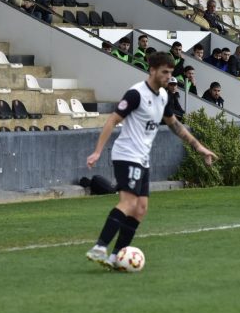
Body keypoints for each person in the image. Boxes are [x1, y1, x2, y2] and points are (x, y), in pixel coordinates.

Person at [85, 52, 216, 269]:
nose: (168, 76)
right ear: (152, 70)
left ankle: (115, 257)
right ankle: (100, 246)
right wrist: (97, 151)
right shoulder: (136, 93)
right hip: (127, 155)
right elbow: (112, 120)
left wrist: (199, 147)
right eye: (164, 72)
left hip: (142, 159)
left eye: (171, 73)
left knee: (141, 208)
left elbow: (174, 125)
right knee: (129, 203)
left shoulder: (163, 96)